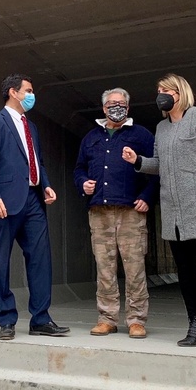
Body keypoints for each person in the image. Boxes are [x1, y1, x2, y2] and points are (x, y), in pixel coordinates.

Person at [122, 73, 196, 353]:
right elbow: (159, 164)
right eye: (158, 90)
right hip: (174, 211)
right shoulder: (161, 128)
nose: (161, 93)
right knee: (185, 271)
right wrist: (138, 161)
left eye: (166, 89)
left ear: (180, 92)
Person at [0, 73, 70, 341]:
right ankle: (6, 320)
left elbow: (36, 161)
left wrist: (46, 185)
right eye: (28, 90)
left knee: (41, 260)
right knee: (0, 263)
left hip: (33, 201)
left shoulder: (33, 128)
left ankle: (41, 319)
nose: (32, 95)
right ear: (13, 92)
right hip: (3, 202)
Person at [74, 88, 158, 339]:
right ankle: (107, 318)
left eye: (121, 103)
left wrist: (147, 197)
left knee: (134, 268)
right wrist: (83, 183)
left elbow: (158, 168)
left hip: (131, 211)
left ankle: (136, 320)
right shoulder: (90, 137)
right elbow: (79, 168)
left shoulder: (142, 135)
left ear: (128, 108)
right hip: (99, 211)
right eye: (111, 103)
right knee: (104, 268)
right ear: (103, 108)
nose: (116, 107)